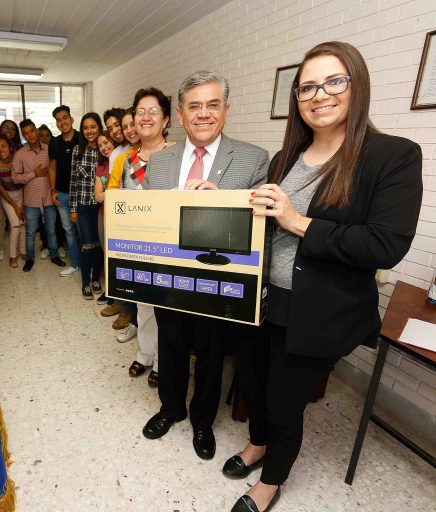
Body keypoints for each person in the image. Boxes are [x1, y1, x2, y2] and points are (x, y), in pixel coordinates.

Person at [226, 43, 423, 512]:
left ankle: (271, 481)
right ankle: (257, 445)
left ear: (357, 85)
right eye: (307, 87)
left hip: (317, 309)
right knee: (250, 383)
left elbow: (385, 246)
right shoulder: (286, 157)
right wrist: (227, 201)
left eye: (335, 81)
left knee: (284, 401)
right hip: (263, 299)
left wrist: (298, 222)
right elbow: (264, 218)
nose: (320, 95)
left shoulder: (392, 156)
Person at [141, 71, 269, 464]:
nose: (203, 114)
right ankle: (171, 408)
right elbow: (149, 220)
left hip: (218, 278)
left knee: (212, 353)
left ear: (226, 110)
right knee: (172, 343)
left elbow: (264, 225)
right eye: (194, 106)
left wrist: (226, 202)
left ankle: (202, 421)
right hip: (170, 276)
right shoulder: (160, 163)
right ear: (179, 114)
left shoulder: (253, 158)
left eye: (213, 104)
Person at [117, 88, 176, 386]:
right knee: (143, 303)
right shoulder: (129, 160)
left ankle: (165, 361)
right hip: (138, 245)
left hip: (169, 247)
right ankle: (145, 354)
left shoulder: (178, 155)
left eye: (153, 111)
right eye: (140, 111)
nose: (146, 117)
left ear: (165, 120)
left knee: (166, 307)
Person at [100, 108, 140, 324]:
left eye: (123, 125)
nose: (121, 130)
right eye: (116, 127)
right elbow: (113, 191)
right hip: (127, 221)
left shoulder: (164, 151)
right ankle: (127, 311)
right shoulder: (122, 155)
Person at [11, 119, 66, 272]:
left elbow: (55, 170)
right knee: (30, 232)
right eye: (26, 133)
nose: (30, 135)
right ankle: (30, 259)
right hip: (31, 199)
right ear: (24, 136)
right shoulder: (20, 154)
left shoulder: (50, 149)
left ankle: (54, 255)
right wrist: (32, 174)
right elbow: (15, 177)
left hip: (49, 197)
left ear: (36, 130)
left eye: (32, 131)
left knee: (51, 230)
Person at [68, 113, 105, 299]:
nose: (89, 131)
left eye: (93, 127)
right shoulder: (78, 150)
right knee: (87, 245)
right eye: (85, 128)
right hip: (83, 206)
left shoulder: (105, 149)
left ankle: (96, 278)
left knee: (98, 245)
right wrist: (73, 208)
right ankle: (85, 283)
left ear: (99, 127)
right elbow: (73, 182)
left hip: (100, 206)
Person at [48, 105, 82, 277]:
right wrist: (53, 190)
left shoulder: (82, 138)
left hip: (82, 195)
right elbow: (52, 168)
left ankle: (88, 264)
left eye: (65, 117)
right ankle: (75, 264)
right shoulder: (54, 143)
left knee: (83, 231)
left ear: (71, 119)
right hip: (62, 194)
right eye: (58, 120)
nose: (62, 122)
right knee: (69, 231)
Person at [0, 135, 26, 267]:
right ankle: (13, 256)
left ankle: (23, 251)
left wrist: (22, 205)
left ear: (10, 147)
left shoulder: (18, 159)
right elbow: (0, 187)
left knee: (23, 224)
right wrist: (14, 205)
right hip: (6, 196)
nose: (1, 150)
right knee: (15, 225)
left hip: (22, 193)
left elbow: (25, 181)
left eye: (4, 146)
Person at [93, 130, 116, 305]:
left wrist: (107, 194)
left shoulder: (123, 160)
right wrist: (111, 194)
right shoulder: (100, 167)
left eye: (106, 142)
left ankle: (119, 292)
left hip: (121, 218)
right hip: (104, 216)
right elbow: (97, 196)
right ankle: (110, 290)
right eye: (100, 145)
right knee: (107, 253)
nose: (103, 147)